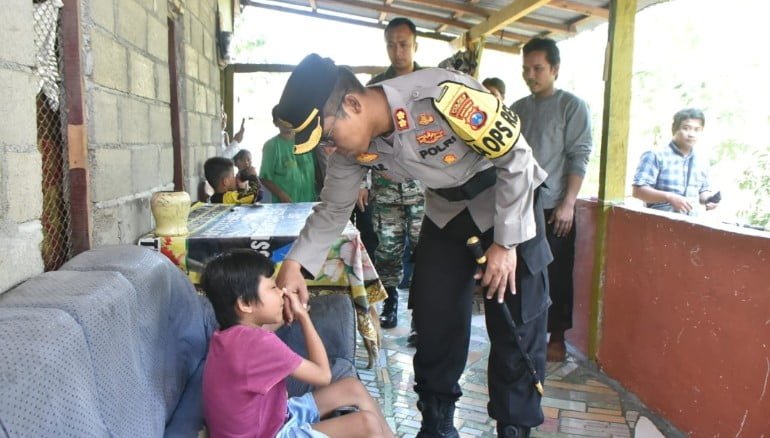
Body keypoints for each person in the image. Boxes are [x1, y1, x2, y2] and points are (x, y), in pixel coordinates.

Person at [274, 53, 551, 437]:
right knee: (435, 313)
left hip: (510, 202)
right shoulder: (354, 149)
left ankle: (514, 425)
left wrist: (506, 245)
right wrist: (295, 265)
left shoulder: (442, 96)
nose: (330, 151)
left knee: (515, 321)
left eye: (329, 137)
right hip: (448, 212)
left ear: (353, 105)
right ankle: (437, 424)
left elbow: (517, 159)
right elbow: (333, 209)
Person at [200, 249, 394, 438]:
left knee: (352, 387)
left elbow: (265, 329)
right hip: (268, 433)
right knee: (367, 424)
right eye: (272, 287)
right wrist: (303, 317)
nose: (281, 292)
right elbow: (323, 375)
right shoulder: (259, 343)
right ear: (245, 304)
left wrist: (286, 315)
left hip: (274, 417)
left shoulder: (226, 334)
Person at [511, 37, 593, 363]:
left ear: (555, 69)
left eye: (538, 68)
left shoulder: (571, 106)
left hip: (554, 208)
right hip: (519, 209)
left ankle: (556, 339)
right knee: (519, 274)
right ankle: (523, 335)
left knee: (556, 276)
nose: (531, 75)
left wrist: (568, 203)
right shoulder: (517, 109)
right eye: (526, 69)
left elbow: (579, 157)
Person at [368, 17, 425, 336]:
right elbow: (366, 137)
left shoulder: (430, 83)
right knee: (387, 249)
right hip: (386, 186)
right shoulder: (376, 88)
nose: (397, 50)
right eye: (391, 43)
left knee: (424, 252)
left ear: (415, 44)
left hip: (423, 190)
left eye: (403, 43)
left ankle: (421, 314)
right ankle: (389, 304)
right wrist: (364, 181)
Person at [632, 108, 719, 215]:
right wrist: (669, 197)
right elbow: (638, 191)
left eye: (697, 129)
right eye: (686, 128)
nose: (691, 134)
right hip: (659, 223)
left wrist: (709, 200)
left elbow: (703, 191)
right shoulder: (655, 155)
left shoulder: (701, 160)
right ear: (674, 129)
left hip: (692, 224)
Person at [259, 105, 318, 203]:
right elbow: (265, 178)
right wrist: (281, 195)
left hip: (309, 203)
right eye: (283, 119)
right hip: (285, 205)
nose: (288, 123)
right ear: (275, 123)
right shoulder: (271, 146)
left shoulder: (307, 141)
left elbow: (319, 171)